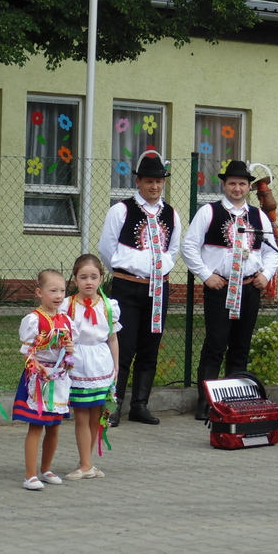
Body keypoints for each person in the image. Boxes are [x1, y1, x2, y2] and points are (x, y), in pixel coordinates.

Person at [181, 160, 278, 420]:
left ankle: (235, 400)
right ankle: (206, 402)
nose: (237, 188)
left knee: (240, 345)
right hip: (220, 287)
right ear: (224, 185)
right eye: (232, 183)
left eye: (242, 184)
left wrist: (266, 275)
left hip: (249, 287)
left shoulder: (258, 216)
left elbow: (271, 252)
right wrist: (206, 275)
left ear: (248, 187)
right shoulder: (209, 212)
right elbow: (189, 247)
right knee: (215, 344)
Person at [98, 151, 182, 427]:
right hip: (127, 287)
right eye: (149, 181)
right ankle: (113, 405)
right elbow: (107, 248)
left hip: (158, 289)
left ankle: (140, 405)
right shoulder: (121, 210)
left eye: (159, 181)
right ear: (138, 182)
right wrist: (127, 270)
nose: (154, 186)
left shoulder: (171, 214)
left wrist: (159, 269)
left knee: (150, 346)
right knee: (122, 347)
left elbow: (173, 250)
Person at [13, 269, 74, 491]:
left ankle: (46, 469)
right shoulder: (34, 319)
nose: (58, 295)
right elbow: (27, 351)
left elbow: (69, 350)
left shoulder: (66, 319)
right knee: (37, 426)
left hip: (59, 378)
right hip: (39, 379)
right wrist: (36, 366)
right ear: (39, 292)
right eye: (53, 291)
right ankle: (30, 475)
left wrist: (70, 349)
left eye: (62, 291)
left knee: (55, 426)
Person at [60, 254, 120, 480]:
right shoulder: (68, 305)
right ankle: (85, 463)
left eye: (93, 277)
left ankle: (87, 462)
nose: (89, 282)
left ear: (101, 279)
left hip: (101, 364)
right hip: (78, 363)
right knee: (81, 415)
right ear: (75, 278)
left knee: (97, 416)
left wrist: (116, 368)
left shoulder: (109, 306)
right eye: (83, 277)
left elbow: (112, 338)